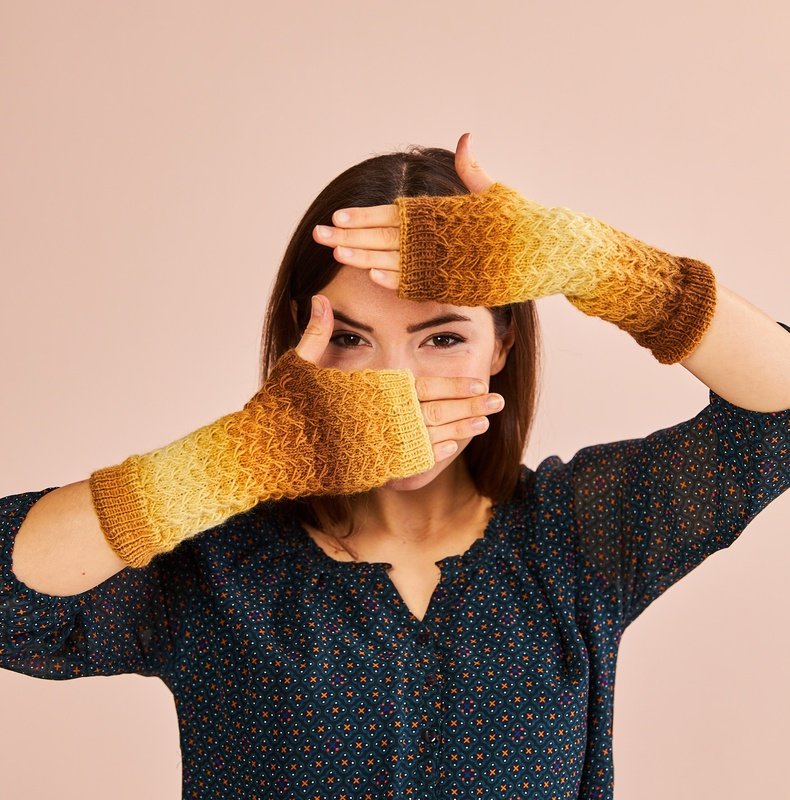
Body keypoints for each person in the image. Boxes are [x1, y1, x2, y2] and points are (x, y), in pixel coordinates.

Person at [1, 132, 788, 799]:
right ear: (301, 344)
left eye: (442, 338)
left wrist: (605, 268)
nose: (396, 386)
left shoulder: (575, 536)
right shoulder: (220, 566)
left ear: (502, 345)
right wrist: (230, 463)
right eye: (350, 339)